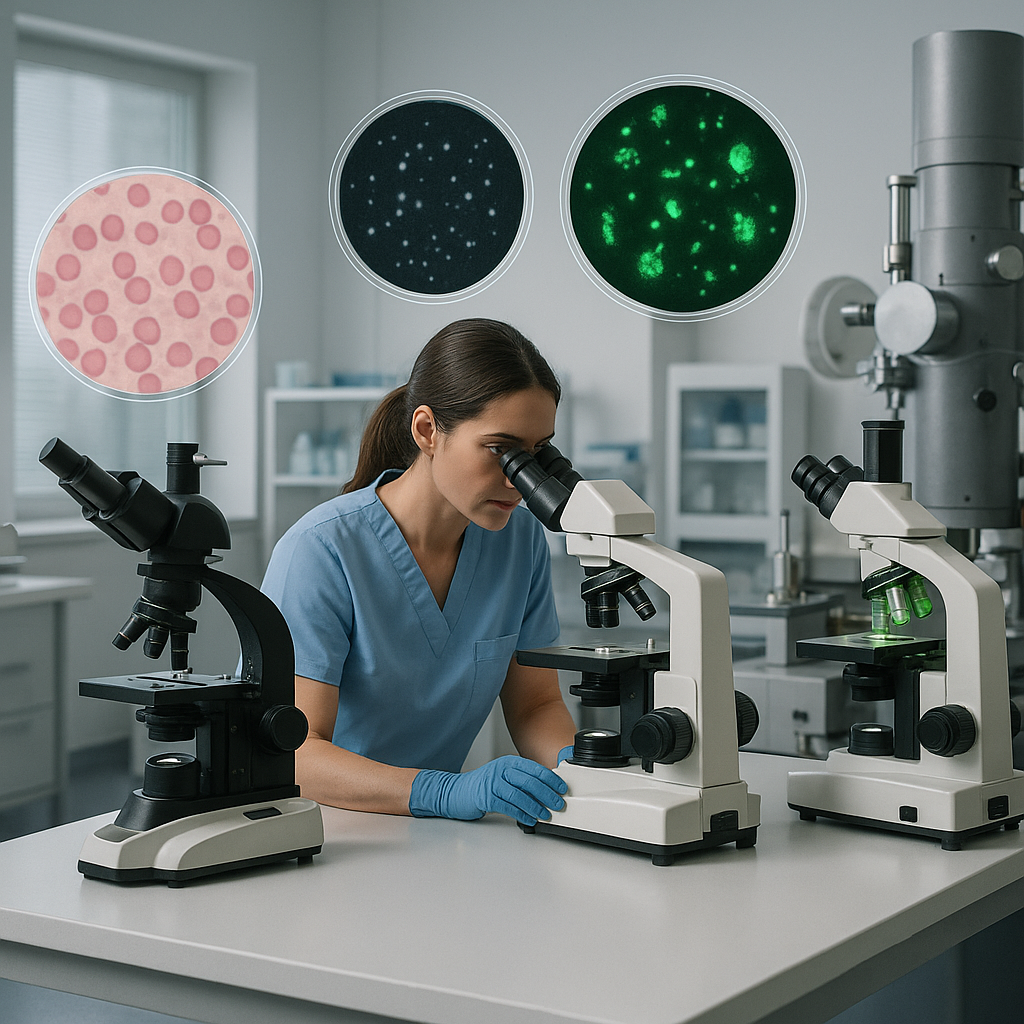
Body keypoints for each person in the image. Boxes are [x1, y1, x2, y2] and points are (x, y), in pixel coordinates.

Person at [261, 318, 577, 827]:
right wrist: (440, 790)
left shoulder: (519, 541)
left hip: (430, 835)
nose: (522, 480)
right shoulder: (321, 550)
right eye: (502, 449)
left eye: (536, 453)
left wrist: (583, 780)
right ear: (428, 430)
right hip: (321, 830)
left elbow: (536, 704)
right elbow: (293, 750)